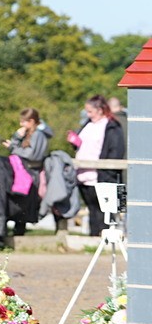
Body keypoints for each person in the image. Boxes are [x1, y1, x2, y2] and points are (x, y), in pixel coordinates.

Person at [69, 95, 126, 237]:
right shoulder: (87, 125)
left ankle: (104, 239)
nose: (88, 115)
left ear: (100, 110)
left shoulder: (112, 126)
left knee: (104, 211)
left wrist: (107, 170)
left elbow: (116, 150)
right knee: (92, 209)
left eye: (90, 111)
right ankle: (94, 237)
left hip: (102, 175)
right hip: (84, 174)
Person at [1, 108, 53, 235]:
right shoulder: (28, 134)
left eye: (23, 122)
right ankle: (15, 228)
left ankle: (19, 230)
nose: (21, 125)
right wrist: (17, 137)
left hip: (32, 173)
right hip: (23, 171)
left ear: (31, 121)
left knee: (25, 203)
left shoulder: (38, 135)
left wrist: (13, 147)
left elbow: (32, 155)